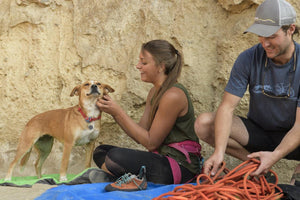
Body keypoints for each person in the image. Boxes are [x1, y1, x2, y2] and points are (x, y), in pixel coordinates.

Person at [194, 0, 300, 185]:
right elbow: (226, 108)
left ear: (290, 29)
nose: (265, 43)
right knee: (204, 123)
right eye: (260, 35)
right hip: (260, 132)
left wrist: (275, 155)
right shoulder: (248, 57)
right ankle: (257, 165)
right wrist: (218, 152)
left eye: (272, 36)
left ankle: (297, 180)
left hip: (295, 137)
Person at [92, 39, 202, 190]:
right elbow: (140, 134)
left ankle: (128, 179)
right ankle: (130, 179)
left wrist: (118, 112)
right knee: (101, 152)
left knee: (114, 157)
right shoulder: (154, 92)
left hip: (180, 167)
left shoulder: (173, 95)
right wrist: (114, 113)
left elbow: (151, 143)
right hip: (162, 160)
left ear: (161, 66)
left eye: (143, 63)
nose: (138, 66)